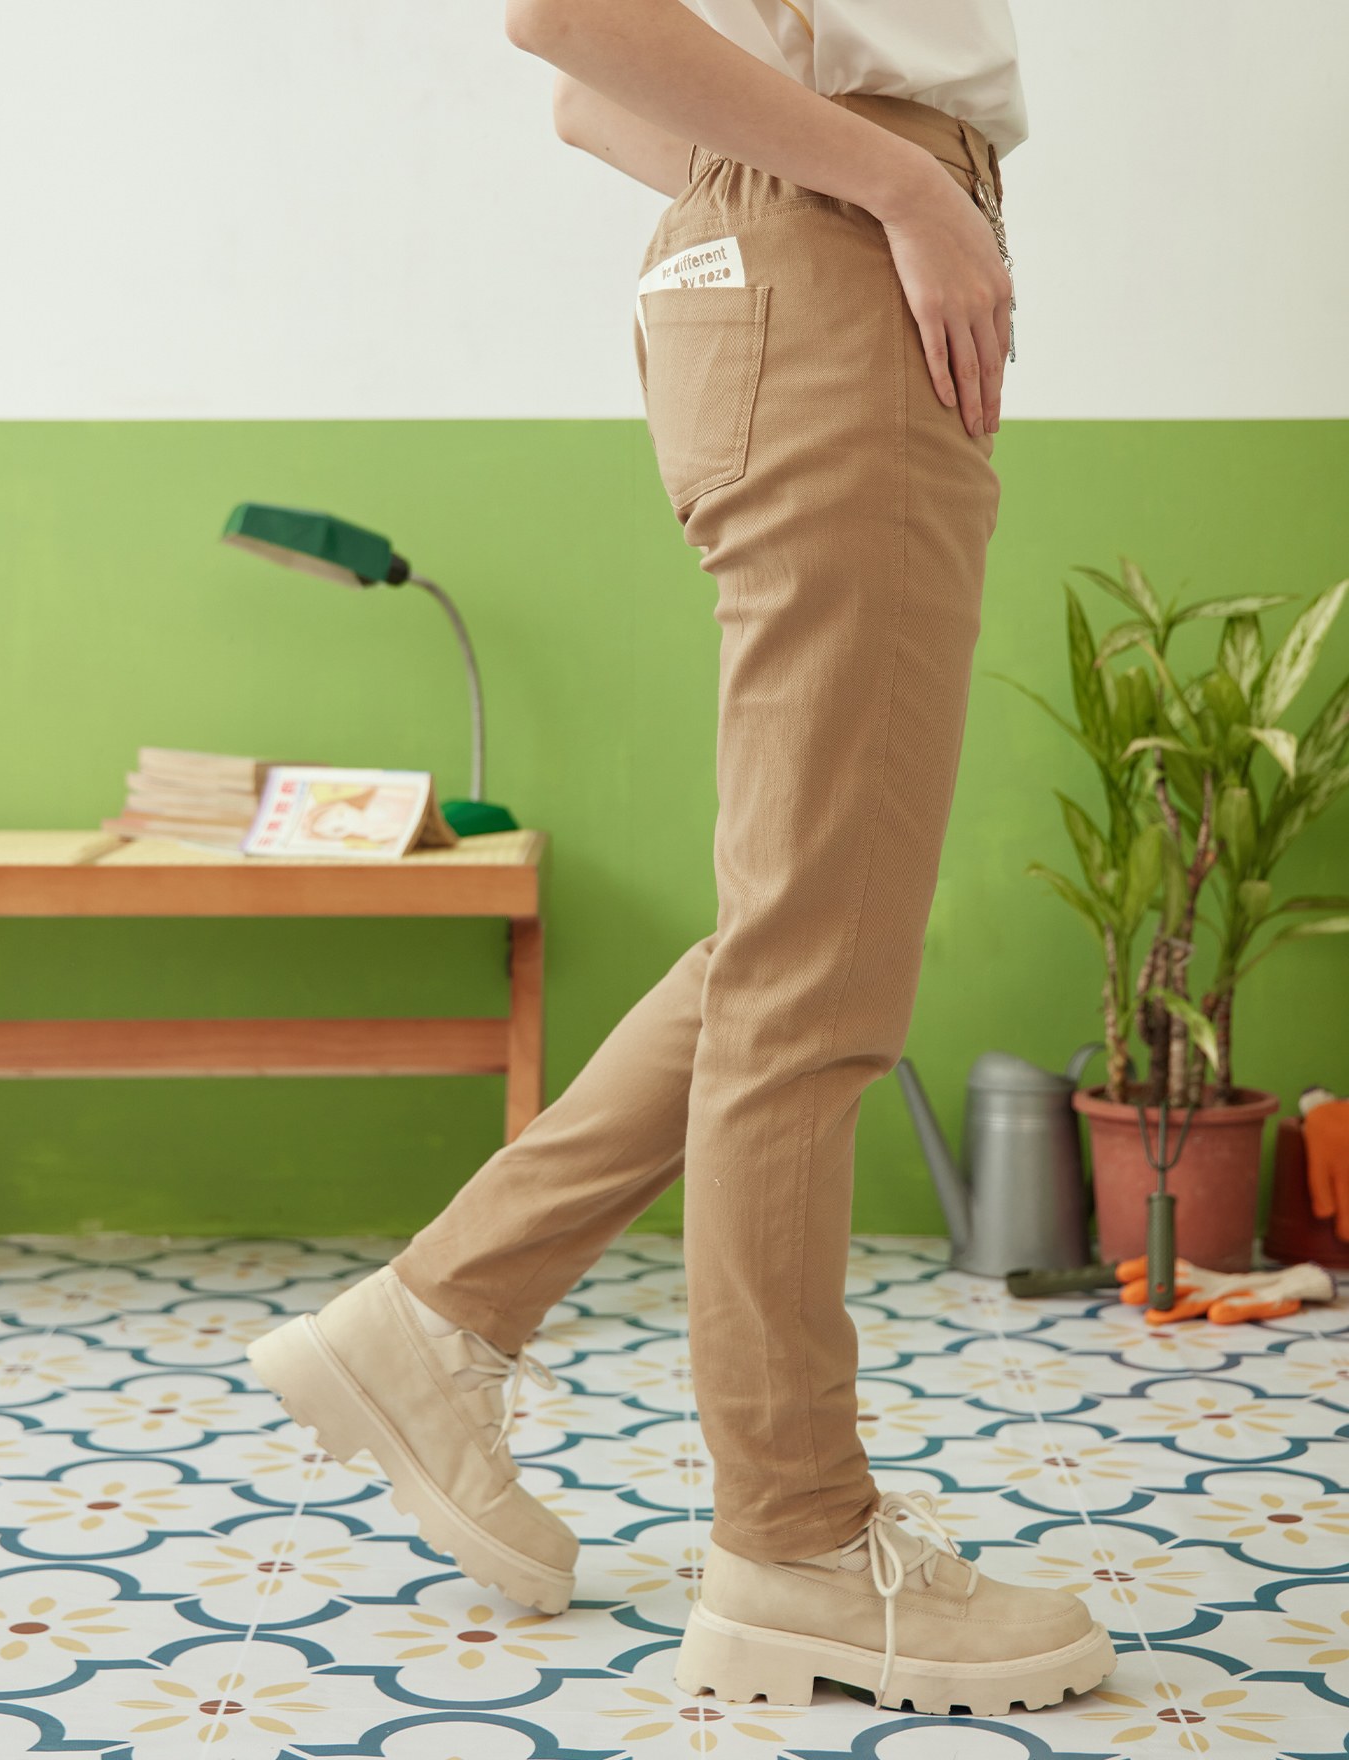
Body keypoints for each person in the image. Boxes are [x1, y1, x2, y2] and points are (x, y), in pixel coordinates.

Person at [248, 0, 1118, 1716]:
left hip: (791, 268)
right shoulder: (878, 179)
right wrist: (903, 193)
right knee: (815, 951)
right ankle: (796, 1540)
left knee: (799, 927)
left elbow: (592, 103)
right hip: (846, 277)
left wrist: (806, 192)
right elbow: (572, 20)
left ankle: (439, 1319)